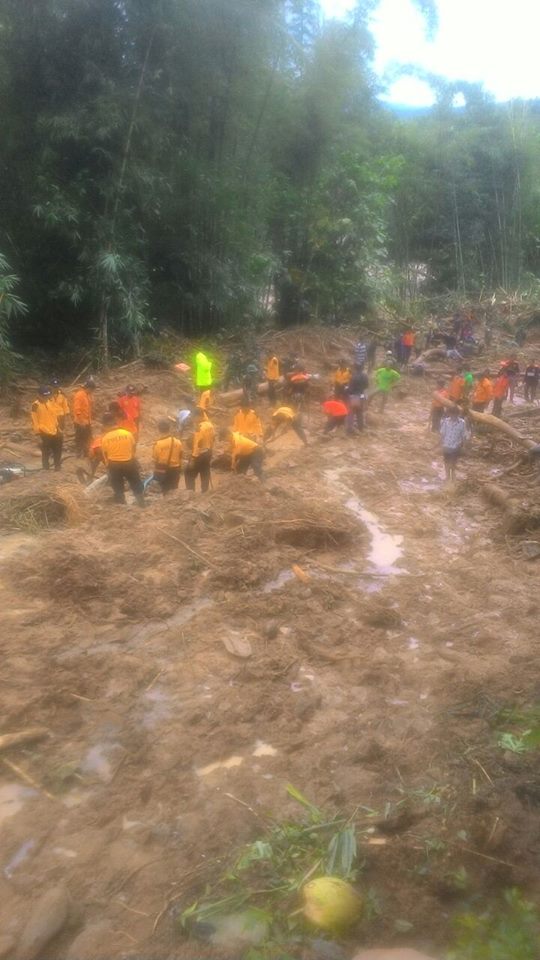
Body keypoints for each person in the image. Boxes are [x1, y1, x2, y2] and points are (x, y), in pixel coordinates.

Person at [101, 412, 145, 507]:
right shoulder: (128, 434)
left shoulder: (105, 439)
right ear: (115, 422)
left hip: (114, 465)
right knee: (135, 482)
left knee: (118, 487)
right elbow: (133, 449)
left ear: (105, 425)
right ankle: (141, 502)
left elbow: (105, 456)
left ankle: (122, 505)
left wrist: (109, 467)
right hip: (129, 462)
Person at [31, 386, 62, 471]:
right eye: (44, 396)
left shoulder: (49, 402)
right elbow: (34, 420)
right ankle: (46, 467)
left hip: (54, 429)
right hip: (44, 431)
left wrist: (57, 426)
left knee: (58, 448)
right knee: (46, 450)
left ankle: (57, 465)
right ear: (39, 395)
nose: (46, 397)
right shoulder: (35, 405)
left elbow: (54, 415)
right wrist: (37, 433)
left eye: (47, 395)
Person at [185, 409, 215, 493]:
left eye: (193, 417)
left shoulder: (200, 428)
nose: (192, 419)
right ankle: (204, 491)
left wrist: (193, 458)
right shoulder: (210, 425)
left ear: (198, 416)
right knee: (205, 472)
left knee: (189, 473)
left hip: (200, 454)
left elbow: (197, 444)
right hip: (208, 452)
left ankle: (190, 492)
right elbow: (213, 439)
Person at [153, 420, 183, 494]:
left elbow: (155, 457)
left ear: (159, 430)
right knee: (174, 489)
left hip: (163, 470)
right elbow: (180, 455)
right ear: (169, 429)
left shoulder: (158, 444)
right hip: (176, 469)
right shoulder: (178, 442)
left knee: (165, 490)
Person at [440, 406, 468, 482]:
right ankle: (447, 477)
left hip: (456, 447)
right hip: (446, 446)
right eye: (452, 415)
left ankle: (453, 476)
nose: (453, 417)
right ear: (449, 414)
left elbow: (464, 435)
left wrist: (464, 446)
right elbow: (442, 433)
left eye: (455, 415)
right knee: (446, 462)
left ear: (458, 414)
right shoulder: (446, 421)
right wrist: (440, 444)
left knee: (453, 463)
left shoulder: (462, 423)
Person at [72, 378, 96, 457]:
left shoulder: (87, 395)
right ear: (89, 388)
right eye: (92, 390)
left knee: (87, 438)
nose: (92, 392)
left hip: (87, 421)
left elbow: (88, 407)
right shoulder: (79, 395)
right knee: (80, 438)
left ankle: (86, 453)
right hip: (80, 422)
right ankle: (78, 453)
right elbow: (77, 409)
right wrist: (81, 421)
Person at [345, 364, 369, 433]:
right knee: (360, 413)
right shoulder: (365, 376)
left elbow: (350, 388)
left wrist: (347, 390)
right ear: (362, 368)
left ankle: (349, 430)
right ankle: (361, 429)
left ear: (355, 368)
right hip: (361, 396)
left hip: (354, 396)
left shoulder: (353, 376)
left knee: (351, 413)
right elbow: (367, 386)